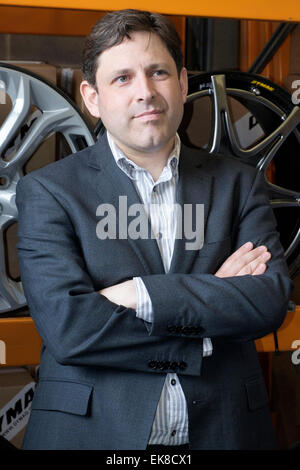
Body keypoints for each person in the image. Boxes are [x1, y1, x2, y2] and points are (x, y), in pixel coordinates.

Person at [16, 9, 293, 450]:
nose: (145, 92)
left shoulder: (239, 183)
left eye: (158, 72)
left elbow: (267, 302)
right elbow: (70, 330)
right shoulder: (49, 192)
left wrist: (139, 294)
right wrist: (210, 300)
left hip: (226, 433)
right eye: (122, 78)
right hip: (91, 436)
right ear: (92, 96)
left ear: (182, 83)